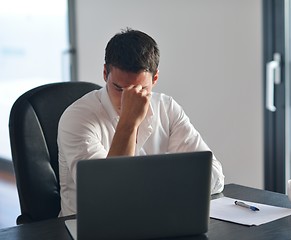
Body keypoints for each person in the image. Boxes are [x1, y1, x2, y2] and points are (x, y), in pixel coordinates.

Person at [57, 28, 225, 217]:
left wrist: (149, 185)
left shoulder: (167, 107)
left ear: (155, 79)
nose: (127, 100)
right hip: (90, 225)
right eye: (119, 88)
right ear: (105, 73)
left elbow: (215, 177)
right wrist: (129, 122)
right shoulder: (76, 118)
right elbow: (109, 198)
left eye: (139, 89)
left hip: (153, 218)